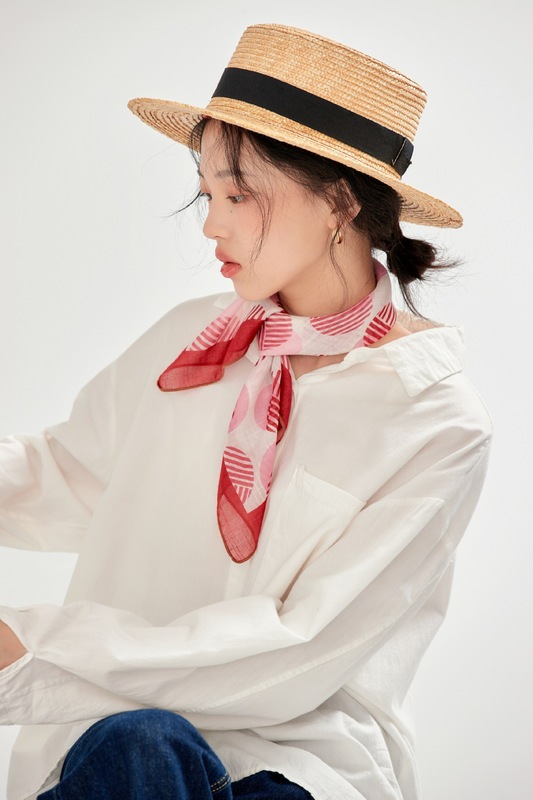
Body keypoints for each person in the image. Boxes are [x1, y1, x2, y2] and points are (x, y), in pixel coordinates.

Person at [0, 22, 491, 800]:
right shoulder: (191, 342)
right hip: (121, 748)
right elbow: (67, 476)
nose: (210, 223)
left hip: (301, 758)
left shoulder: (433, 421)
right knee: (141, 744)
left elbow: (301, 647)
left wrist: (33, 649)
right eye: (206, 192)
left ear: (338, 202)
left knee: (163, 748)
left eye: (238, 194)